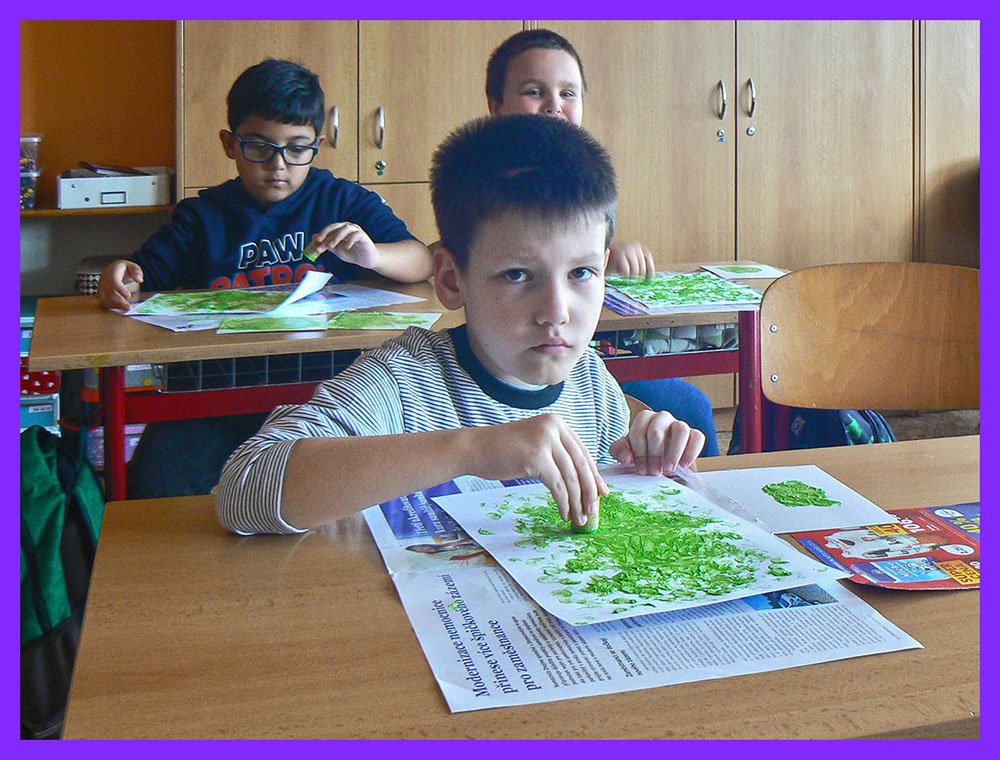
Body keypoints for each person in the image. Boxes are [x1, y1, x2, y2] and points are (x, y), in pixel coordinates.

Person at [215, 114, 705, 535]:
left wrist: (650, 444)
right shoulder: (403, 381)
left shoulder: (590, 381)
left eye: (581, 273)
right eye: (518, 275)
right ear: (451, 280)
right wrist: (471, 449)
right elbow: (245, 485)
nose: (556, 312)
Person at [96, 58, 433, 498]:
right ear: (229, 144)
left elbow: (421, 261)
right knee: (154, 488)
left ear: (318, 143)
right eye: (259, 147)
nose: (278, 165)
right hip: (212, 393)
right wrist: (123, 275)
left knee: (337, 493)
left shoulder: (341, 200)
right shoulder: (202, 216)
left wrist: (373, 255)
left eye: (297, 149)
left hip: (325, 391)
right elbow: (142, 275)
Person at [484, 29, 719, 455]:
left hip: (585, 360)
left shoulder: (587, 176)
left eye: (568, 93)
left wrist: (603, 261)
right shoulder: (478, 180)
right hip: (521, 367)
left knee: (688, 408)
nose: (554, 105)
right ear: (496, 105)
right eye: (535, 92)